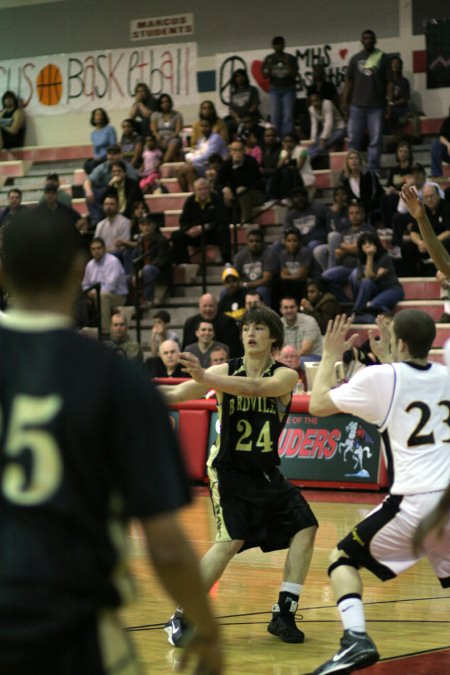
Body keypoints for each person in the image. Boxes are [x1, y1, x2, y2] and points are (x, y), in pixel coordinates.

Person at [0, 207, 223, 675]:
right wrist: (206, 629)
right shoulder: (116, 379)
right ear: (80, 269)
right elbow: (164, 544)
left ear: (2, 271)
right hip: (71, 626)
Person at [160, 306, 318, 647]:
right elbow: (174, 394)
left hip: (264, 472)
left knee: (305, 527)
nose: (250, 333)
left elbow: (254, 388)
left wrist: (206, 379)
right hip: (228, 471)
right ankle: (181, 616)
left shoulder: (286, 375)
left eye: (259, 328)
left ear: (273, 337)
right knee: (229, 541)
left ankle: (284, 613)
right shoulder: (220, 370)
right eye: (247, 327)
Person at [309, 311, 450, 675]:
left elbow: (318, 404)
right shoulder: (446, 376)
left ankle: (355, 639)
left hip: (416, 501)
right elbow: (404, 389)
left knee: (341, 559)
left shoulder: (380, 377)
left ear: (400, 343)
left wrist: (329, 354)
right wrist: (392, 353)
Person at [341, 29, 388, 174]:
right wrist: (344, 101)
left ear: (375, 40)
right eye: (365, 38)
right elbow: (349, 81)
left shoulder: (382, 57)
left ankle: (373, 169)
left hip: (376, 106)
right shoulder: (355, 59)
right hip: (357, 106)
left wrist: (390, 103)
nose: (368, 40)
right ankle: (352, 169)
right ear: (361, 41)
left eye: (370, 38)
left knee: (375, 140)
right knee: (354, 140)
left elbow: (389, 82)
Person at [171, 177, 231, 265]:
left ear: (209, 189)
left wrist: (207, 226)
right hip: (196, 234)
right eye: (199, 189)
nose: (203, 192)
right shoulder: (190, 200)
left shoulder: (216, 198)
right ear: (195, 191)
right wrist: (189, 230)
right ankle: (185, 263)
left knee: (223, 228)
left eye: (205, 189)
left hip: (212, 233)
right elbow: (183, 220)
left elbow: (223, 218)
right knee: (176, 235)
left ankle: (226, 260)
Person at [350, 231, 404, 323]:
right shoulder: (360, 259)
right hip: (376, 291)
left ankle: (359, 314)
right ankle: (360, 313)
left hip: (392, 289)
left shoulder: (384, 257)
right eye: (364, 243)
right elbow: (367, 279)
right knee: (366, 283)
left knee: (375, 304)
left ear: (376, 244)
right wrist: (376, 275)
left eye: (370, 243)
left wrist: (370, 256)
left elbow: (369, 276)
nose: (367, 245)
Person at [400, 182, 450, 276]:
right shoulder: (422, 208)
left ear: (439, 195)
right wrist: (420, 242)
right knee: (406, 245)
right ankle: (411, 275)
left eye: (431, 196)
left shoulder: (446, 207)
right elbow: (413, 232)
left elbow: (449, 231)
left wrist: (430, 243)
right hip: (427, 246)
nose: (429, 199)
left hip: (441, 244)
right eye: (426, 197)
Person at [81, 237, 128, 334]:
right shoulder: (90, 264)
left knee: (102, 296)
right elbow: (85, 284)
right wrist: (89, 292)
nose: (96, 251)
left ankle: (105, 331)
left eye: (99, 248)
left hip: (117, 296)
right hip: (95, 295)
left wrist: (95, 293)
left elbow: (110, 286)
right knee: (78, 297)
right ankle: (81, 329)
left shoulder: (112, 261)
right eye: (93, 249)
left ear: (104, 249)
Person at [216, 139, 265, 225]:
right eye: (235, 150)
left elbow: (251, 183)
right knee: (223, 193)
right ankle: (225, 225)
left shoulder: (251, 161)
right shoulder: (227, 164)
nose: (237, 152)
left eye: (240, 150)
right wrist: (225, 189)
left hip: (255, 194)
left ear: (244, 151)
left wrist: (237, 168)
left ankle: (246, 223)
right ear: (230, 152)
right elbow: (218, 183)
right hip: (234, 194)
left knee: (241, 190)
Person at [182, 292, 242, 357]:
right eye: (205, 306)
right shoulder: (190, 323)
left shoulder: (229, 322)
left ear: (217, 306)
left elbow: (234, 351)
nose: (208, 309)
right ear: (199, 306)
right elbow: (185, 348)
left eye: (211, 306)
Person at [177, 119, 228, 193]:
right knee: (179, 170)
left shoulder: (216, 138)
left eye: (206, 126)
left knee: (189, 168)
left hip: (214, 166)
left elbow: (209, 156)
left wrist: (193, 161)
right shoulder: (201, 140)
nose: (204, 128)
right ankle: (188, 194)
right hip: (202, 164)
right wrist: (190, 158)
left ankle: (198, 193)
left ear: (211, 127)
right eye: (202, 126)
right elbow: (198, 153)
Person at [262, 36, 298, 139]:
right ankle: (277, 137)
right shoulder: (269, 59)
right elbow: (264, 74)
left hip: (288, 89)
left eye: (281, 44)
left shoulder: (290, 58)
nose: (279, 46)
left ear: (284, 45)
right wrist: (268, 67)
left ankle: (287, 137)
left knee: (288, 115)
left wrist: (288, 64)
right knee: (275, 115)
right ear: (273, 46)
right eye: (277, 44)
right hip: (274, 89)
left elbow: (294, 74)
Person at [131, 215, 171, 307]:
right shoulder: (140, 241)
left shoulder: (161, 240)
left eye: (148, 224)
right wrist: (135, 274)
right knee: (127, 278)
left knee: (148, 269)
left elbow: (162, 260)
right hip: (145, 271)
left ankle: (148, 300)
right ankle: (135, 304)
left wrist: (143, 270)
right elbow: (136, 262)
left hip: (160, 272)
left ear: (154, 226)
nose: (146, 227)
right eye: (143, 225)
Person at [233, 228, 279, 307]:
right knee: (226, 291)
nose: (254, 244)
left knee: (261, 291)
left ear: (263, 242)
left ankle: (265, 316)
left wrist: (246, 284)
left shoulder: (269, 254)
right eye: (251, 241)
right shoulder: (240, 255)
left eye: (257, 241)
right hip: (245, 287)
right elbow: (234, 275)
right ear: (247, 242)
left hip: (264, 287)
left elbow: (266, 280)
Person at [279, 295, 323, 364]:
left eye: (292, 307)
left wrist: (286, 359)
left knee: (299, 361)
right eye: (286, 308)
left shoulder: (309, 321)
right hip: (290, 358)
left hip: (313, 357)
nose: (289, 310)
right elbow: (278, 350)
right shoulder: (278, 324)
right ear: (281, 310)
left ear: (297, 308)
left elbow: (306, 350)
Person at [307, 93, 346, 160]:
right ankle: (312, 155)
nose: (314, 103)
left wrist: (323, 138)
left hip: (339, 129)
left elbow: (329, 122)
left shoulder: (327, 103)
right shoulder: (311, 109)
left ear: (321, 100)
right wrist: (313, 138)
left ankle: (310, 157)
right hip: (327, 131)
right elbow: (314, 124)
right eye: (312, 101)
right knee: (313, 144)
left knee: (323, 145)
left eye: (316, 100)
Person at [94, 193, 131, 257]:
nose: (108, 207)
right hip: (102, 256)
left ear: (117, 206)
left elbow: (123, 247)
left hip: (118, 256)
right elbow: (96, 244)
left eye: (112, 204)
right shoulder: (100, 225)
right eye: (106, 204)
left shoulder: (124, 222)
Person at [226, 68, 261, 137]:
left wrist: (246, 116)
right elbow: (231, 110)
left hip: (251, 117)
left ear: (245, 77)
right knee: (227, 125)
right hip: (238, 119)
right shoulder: (233, 93)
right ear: (234, 79)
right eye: (237, 76)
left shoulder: (252, 89)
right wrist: (236, 118)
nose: (240, 78)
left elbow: (255, 105)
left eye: (242, 76)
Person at [151, 93, 183, 163]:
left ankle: (164, 162)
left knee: (175, 142)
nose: (165, 104)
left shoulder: (177, 115)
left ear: (170, 103)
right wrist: (158, 136)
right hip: (159, 137)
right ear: (160, 104)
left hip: (173, 137)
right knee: (150, 142)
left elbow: (178, 131)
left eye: (167, 101)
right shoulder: (155, 115)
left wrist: (168, 138)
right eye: (163, 102)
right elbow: (154, 130)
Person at [84, 108, 117, 175]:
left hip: (108, 156)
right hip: (98, 158)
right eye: (96, 114)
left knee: (94, 165)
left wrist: (102, 157)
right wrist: (96, 157)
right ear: (93, 117)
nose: (98, 116)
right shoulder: (93, 133)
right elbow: (95, 150)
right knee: (87, 164)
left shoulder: (110, 129)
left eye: (100, 115)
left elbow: (113, 145)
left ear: (104, 117)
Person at [430, 106, 450, 178]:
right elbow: (441, 137)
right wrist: (448, 145)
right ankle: (436, 174)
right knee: (436, 145)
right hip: (448, 152)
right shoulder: (448, 121)